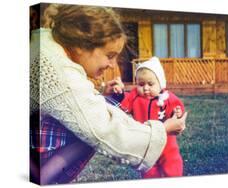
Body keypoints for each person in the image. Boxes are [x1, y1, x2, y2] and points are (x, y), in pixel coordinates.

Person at [30, 4, 187, 184]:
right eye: (110, 55)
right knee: (91, 127)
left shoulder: (47, 44)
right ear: (82, 46)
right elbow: (104, 128)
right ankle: (41, 177)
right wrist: (163, 130)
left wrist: (101, 95)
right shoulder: (58, 70)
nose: (113, 65)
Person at [111, 57, 186, 178]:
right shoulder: (135, 97)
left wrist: (177, 113)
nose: (145, 88)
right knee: (149, 170)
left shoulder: (167, 97)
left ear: (160, 84)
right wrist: (119, 93)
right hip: (145, 143)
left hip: (167, 142)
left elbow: (177, 107)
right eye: (141, 84)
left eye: (150, 84)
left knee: (172, 164)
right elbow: (124, 102)